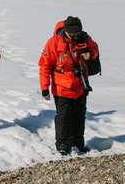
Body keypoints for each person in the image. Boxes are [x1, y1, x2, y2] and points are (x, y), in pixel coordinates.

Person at [38, 16, 100, 155]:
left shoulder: (85, 38)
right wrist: (44, 88)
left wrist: (89, 54)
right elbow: (44, 66)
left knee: (79, 116)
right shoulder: (53, 43)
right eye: (72, 33)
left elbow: (95, 50)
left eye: (76, 33)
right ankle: (63, 145)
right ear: (65, 30)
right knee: (64, 118)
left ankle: (79, 144)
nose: (74, 36)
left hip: (80, 85)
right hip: (61, 88)